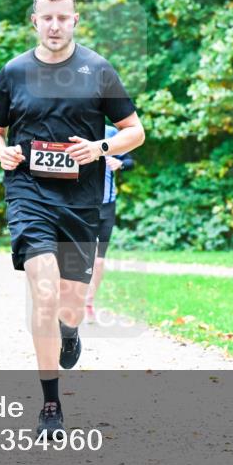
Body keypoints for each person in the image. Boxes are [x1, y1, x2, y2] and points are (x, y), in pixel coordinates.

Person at [0, 0, 145, 438]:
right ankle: (50, 404)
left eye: (63, 17)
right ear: (35, 21)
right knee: (44, 291)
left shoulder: (98, 69)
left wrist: (102, 145)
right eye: (46, 17)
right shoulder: (14, 72)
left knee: (70, 303)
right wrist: (2, 153)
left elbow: (136, 131)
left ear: (75, 20)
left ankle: (70, 333)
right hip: (29, 194)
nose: (54, 25)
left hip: (81, 200)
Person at [85, 124, 135, 321]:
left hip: (106, 204)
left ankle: (88, 303)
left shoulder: (111, 133)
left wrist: (119, 163)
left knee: (98, 259)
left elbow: (130, 161)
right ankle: (69, 300)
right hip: (79, 204)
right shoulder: (73, 126)